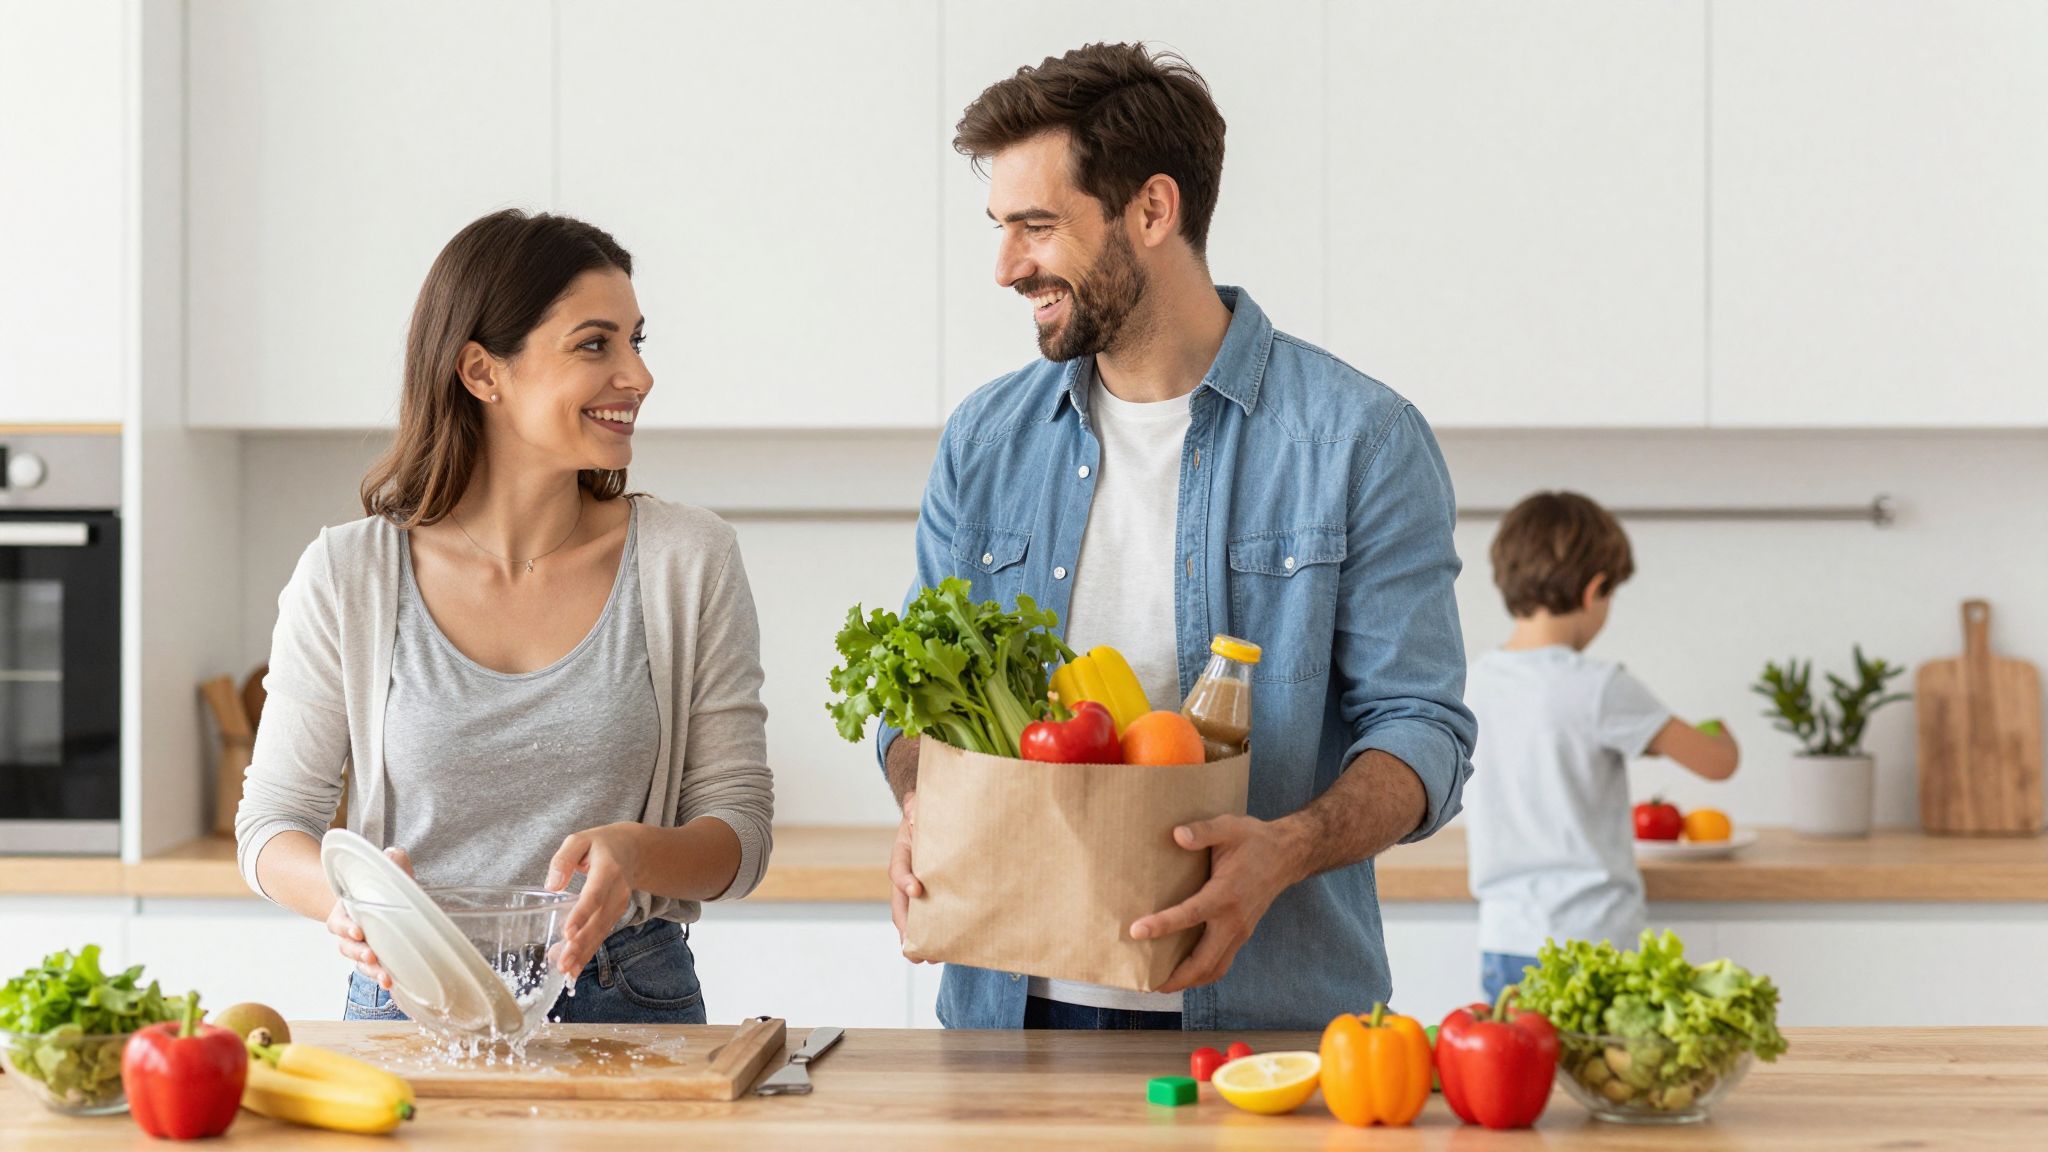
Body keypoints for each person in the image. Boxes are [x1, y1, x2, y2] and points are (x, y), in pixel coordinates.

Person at [880, 43, 1477, 1031]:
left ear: (1152, 211)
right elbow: (912, 704)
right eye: (999, 228)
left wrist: (1284, 847)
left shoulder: (1355, 439)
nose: (1003, 266)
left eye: (1035, 226)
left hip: (1260, 1018)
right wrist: (921, 806)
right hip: (1008, 1014)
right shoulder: (985, 441)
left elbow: (1422, 730)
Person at [234, 209, 774, 1024]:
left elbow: (740, 833)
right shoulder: (349, 575)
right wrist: (351, 903)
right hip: (408, 996)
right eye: (596, 344)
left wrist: (640, 853)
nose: (638, 375)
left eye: (637, 341)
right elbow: (272, 826)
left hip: (626, 997)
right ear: (483, 373)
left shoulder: (686, 559)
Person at [1463, 491, 1739, 1002]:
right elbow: (1716, 762)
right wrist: (1719, 730)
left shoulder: (1473, 681)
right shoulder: (1601, 686)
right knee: (1602, 1078)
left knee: (1526, 1078)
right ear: (1594, 591)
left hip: (1506, 940)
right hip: (1595, 941)